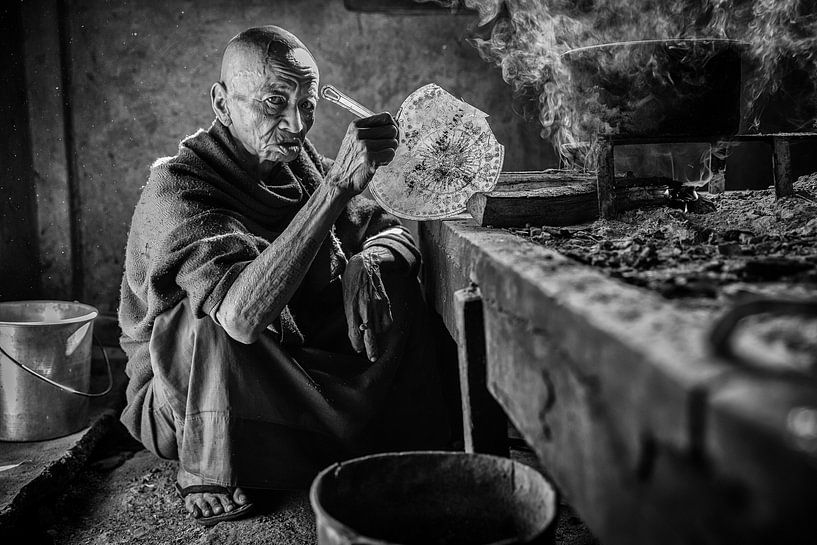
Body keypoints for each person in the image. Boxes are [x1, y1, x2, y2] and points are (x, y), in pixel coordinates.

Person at [118, 25, 448, 526]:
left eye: (308, 105)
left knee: (395, 282)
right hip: (192, 392)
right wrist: (336, 187)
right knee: (203, 317)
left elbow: (389, 230)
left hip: (288, 363)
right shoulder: (178, 187)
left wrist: (369, 263)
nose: (297, 124)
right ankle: (211, 462)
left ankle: (350, 440)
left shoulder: (298, 163)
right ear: (222, 104)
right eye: (275, 103)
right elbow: (242, 319)